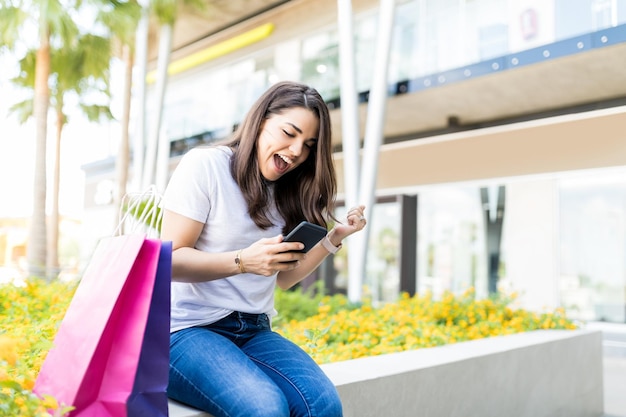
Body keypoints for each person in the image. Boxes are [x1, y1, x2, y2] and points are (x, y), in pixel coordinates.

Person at [160, 80, 367, 417]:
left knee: (323, 406)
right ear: (261, 121)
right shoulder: (206, 166)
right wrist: (242, 261)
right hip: (184, 331)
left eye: (309, 144)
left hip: (253, 329)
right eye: (289, 132)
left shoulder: (288, 191)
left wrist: (335, 237)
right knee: (265, 408)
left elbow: (283, 279)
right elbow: (167, 261)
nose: (297, 150)